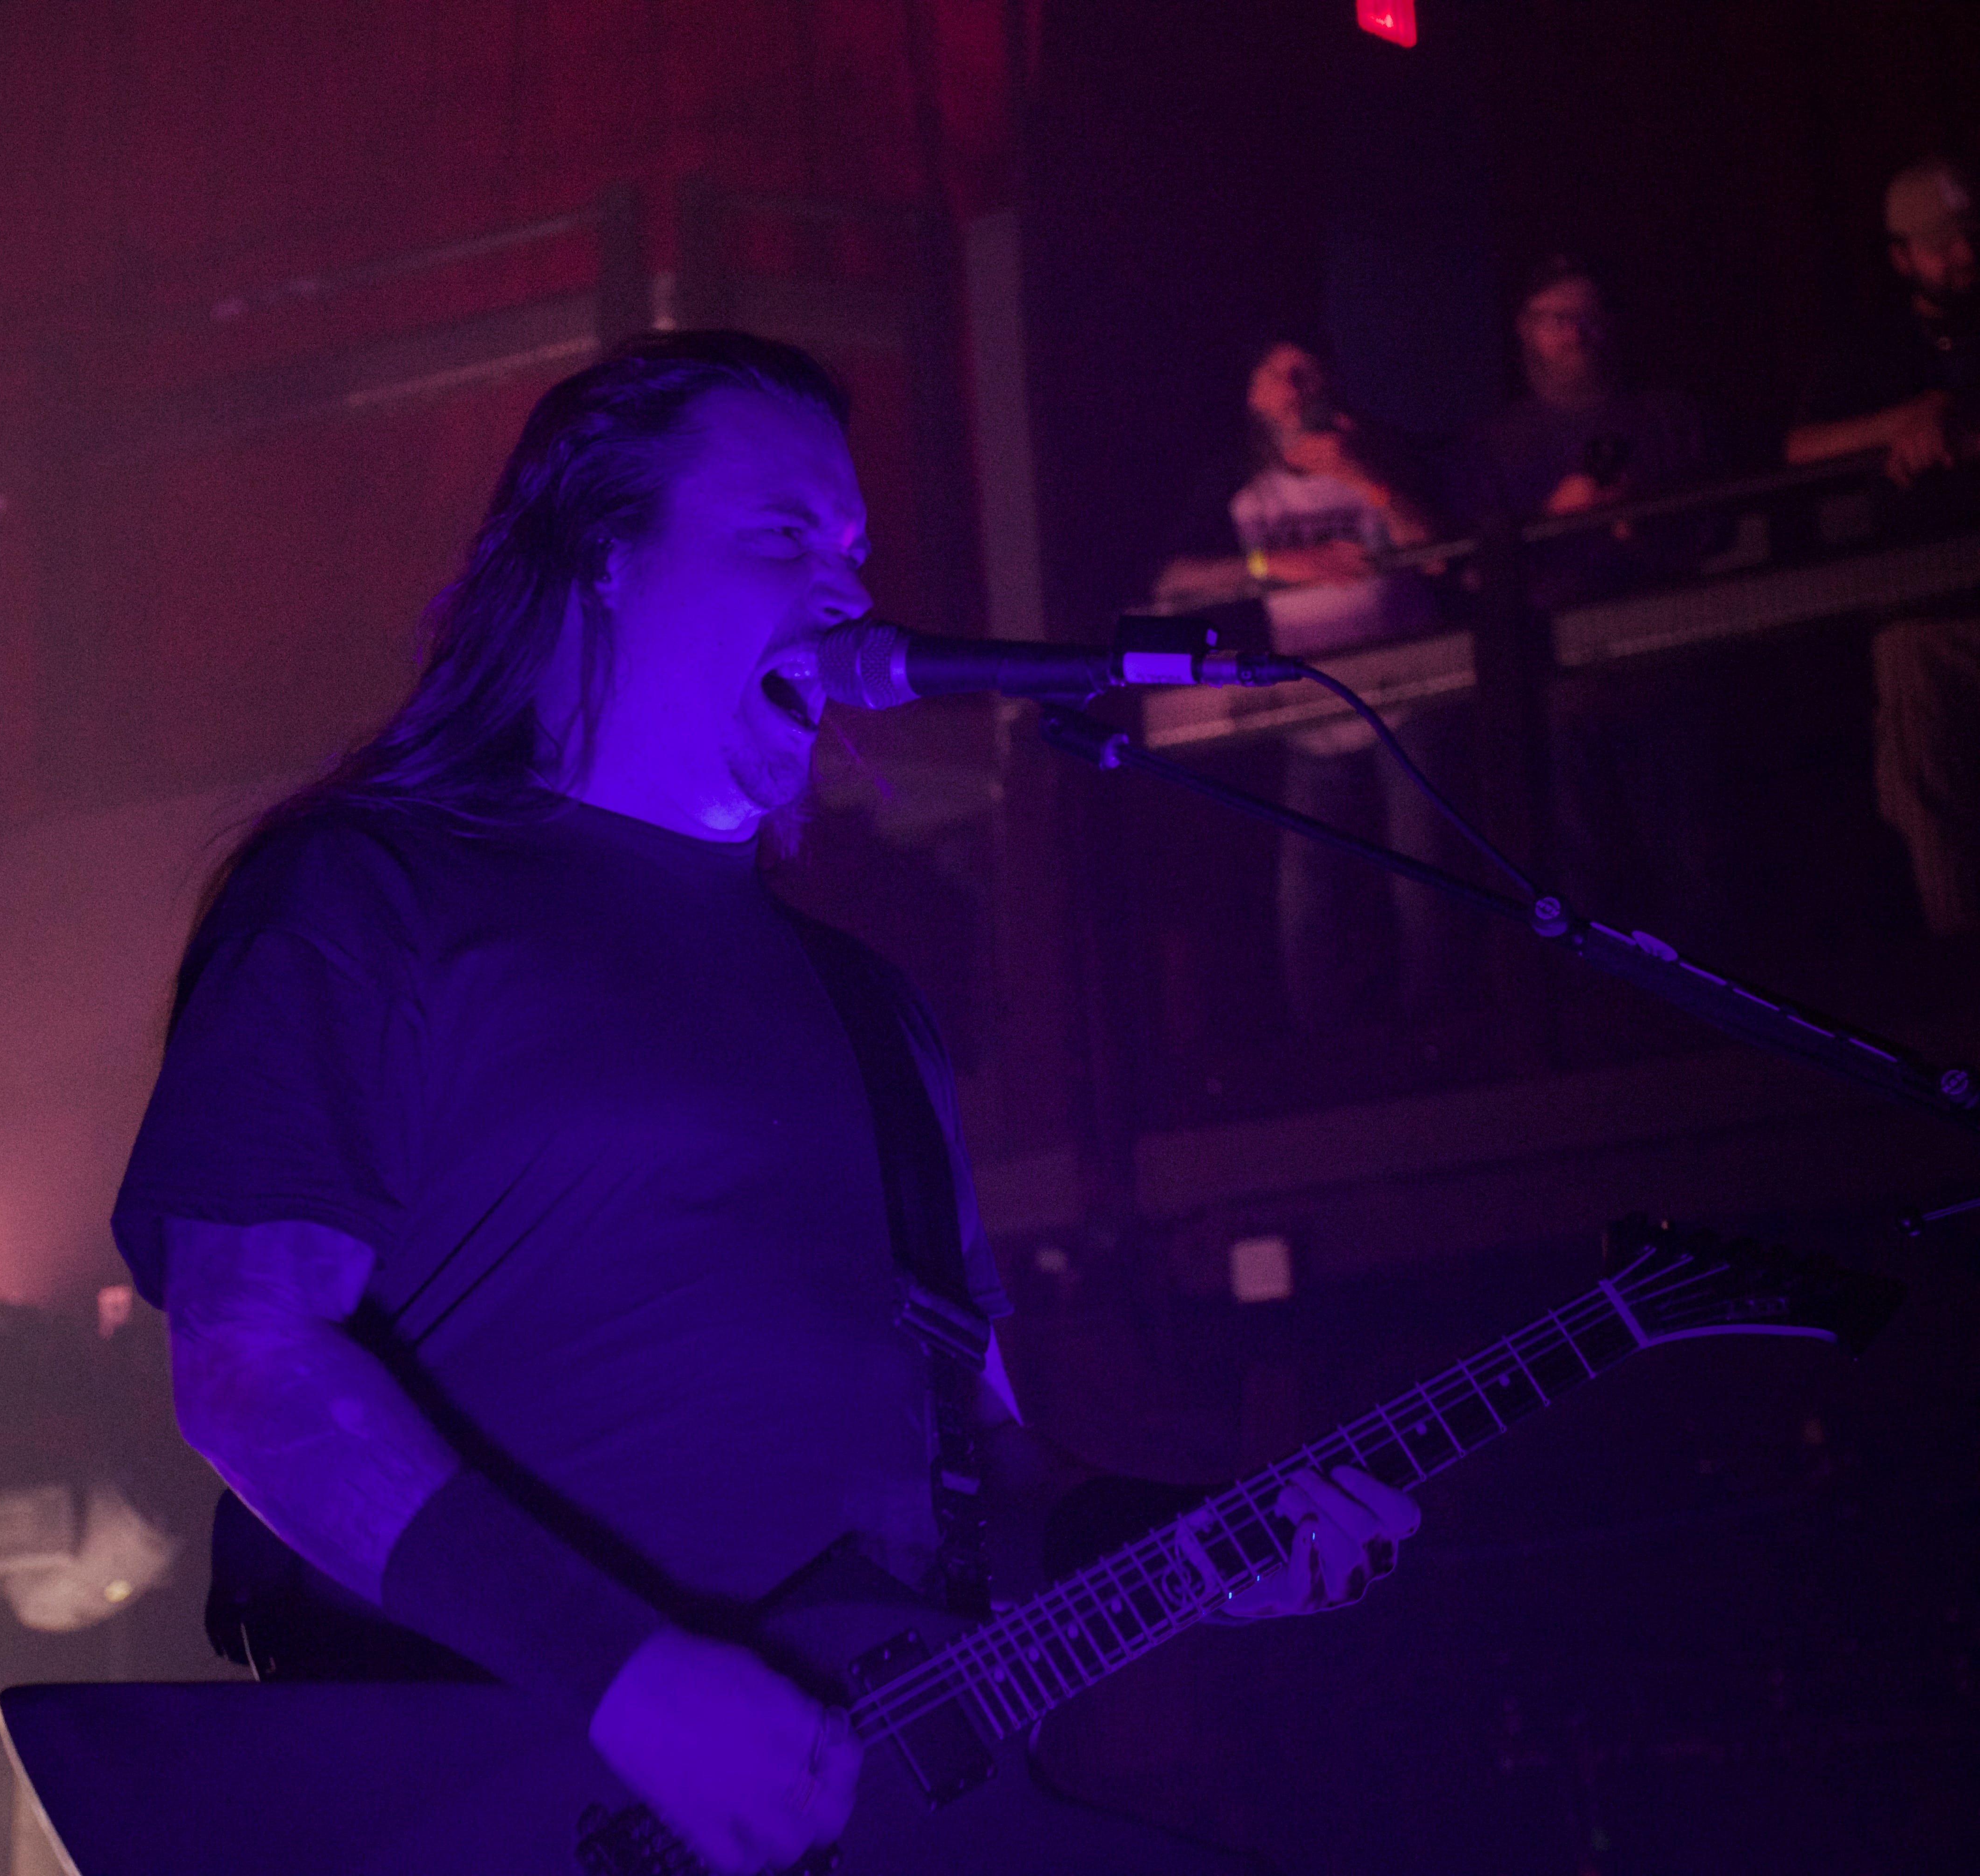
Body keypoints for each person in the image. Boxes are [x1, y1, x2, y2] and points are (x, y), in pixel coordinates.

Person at [114, 332, 1419, 1874]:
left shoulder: (871, 1009)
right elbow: (251, 1362)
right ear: (602, 555)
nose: (847, 594)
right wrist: (624, 1678)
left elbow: (981, 1470)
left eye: (855, 551)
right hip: (496, 1807)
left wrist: (1185, 1546)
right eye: (784, 537)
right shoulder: (366, 893)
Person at [1155, 339, 1475, 1032]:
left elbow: (1444, 558)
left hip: (1404, 696)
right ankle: (1323, 1047)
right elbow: (1172, 584)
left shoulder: (1377, 456)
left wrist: (1361, 475)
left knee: (1423, 877)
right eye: (1278, 375)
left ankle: (1440, 1036)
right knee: (1307, 894)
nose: (1296, 387)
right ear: (1253, 396)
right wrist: (1276, 564)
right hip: (1308, 708)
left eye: (1307, 372)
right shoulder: (1238, 484)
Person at [1466, 257, 1724, 938]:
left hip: (1669, 666)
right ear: (1525, 329)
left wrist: (1643, 521)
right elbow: (1471, 575)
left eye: (1588, 317)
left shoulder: (1667, 416)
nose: (1575, 333)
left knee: (1690, 864)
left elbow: (1720, 530)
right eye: (1558, 319)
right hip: (1559, 690)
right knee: (1584, 873)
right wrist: (1556, 518)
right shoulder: (1495, 443)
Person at [1787, 156, 1980, 938]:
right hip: (1922, 611)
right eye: (1941, 243)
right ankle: (1962, 967)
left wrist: (1956, 429)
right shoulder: (1875, 347)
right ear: (1902, 258)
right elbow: (1801, 447)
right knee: (1922, 777)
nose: (1964, 254)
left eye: (1971, 233)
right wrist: (1903, 421)